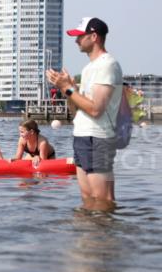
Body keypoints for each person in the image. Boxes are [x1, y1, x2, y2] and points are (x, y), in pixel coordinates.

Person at [46, 17, 123, 210]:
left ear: (94, 36)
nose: (76, 41)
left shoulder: (107, 65)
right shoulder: (89, 68)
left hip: (97, 138)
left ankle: (104, 238)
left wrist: (69, 89)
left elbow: (96, 109)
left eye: (80, 36)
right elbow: (77, 113)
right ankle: (87, 238)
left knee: (103, 199)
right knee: (88, 198)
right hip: (82, 136)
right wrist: (68, 91)